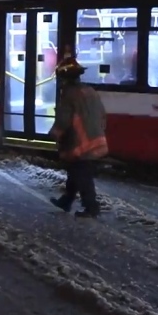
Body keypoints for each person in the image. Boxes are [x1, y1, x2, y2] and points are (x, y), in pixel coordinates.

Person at [49, 56, 109, 218]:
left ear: (63, 77)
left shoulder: (68, 95)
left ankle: (91, 208)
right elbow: (102, 115)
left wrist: (53, 136)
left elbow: (63, 121)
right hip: (98, 140)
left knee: (82, 176)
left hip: (82, 144)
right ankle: (67, 201)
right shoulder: (90, 91)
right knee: (75, 172)